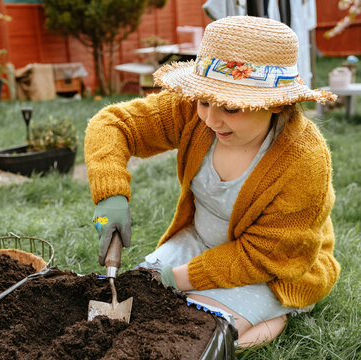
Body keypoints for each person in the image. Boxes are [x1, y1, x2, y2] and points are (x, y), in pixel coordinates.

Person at [85, 16, 340, 348]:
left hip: (276, 269)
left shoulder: (303, 159)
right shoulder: (194, 114)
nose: (211, 118)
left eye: (232, 108)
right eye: (204, 100)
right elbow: (114, 124)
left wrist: (176, 279)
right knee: (140, 296)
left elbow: (262, 256)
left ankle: (271, 318)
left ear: (276, 103)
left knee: (200, 328)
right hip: (201, 241)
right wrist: (111, 195)